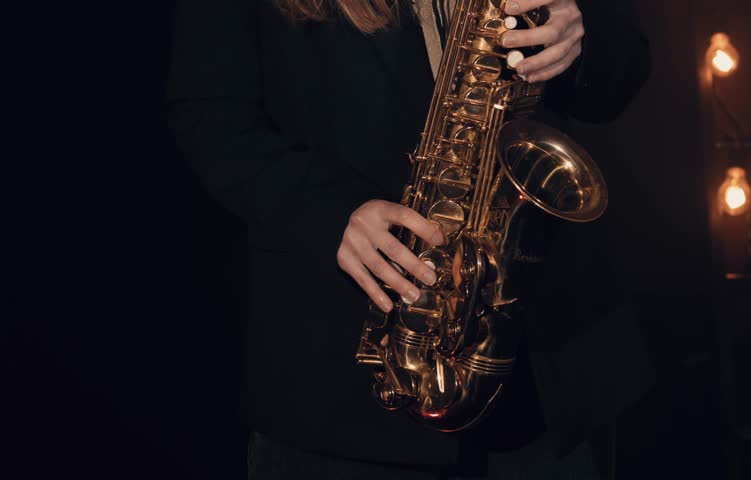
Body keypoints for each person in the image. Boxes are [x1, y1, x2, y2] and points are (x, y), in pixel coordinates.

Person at [167, 0, 653, 477]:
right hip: (346, 391)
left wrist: (580, 36)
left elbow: (625, 67)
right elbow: (211, 117)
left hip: (550, 378)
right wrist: (331, 212)